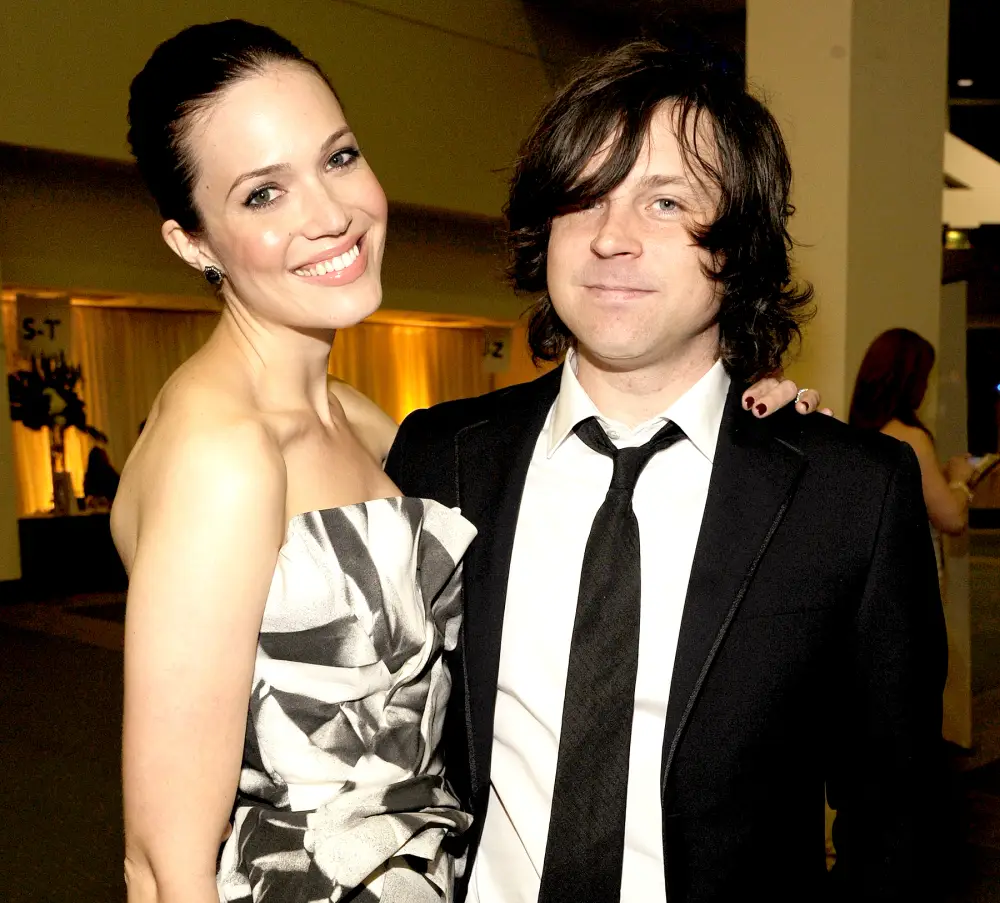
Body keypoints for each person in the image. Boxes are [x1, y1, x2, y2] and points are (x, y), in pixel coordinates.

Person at [113, 21, 820, 903]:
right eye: (263, 194)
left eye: (337, 158)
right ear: (192, 241)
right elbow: (160, 861)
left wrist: (759, 433)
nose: (329, 215)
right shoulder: (225, 453)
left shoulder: (380, 430)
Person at [385, 42, 946, 903]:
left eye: (667, 201)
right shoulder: (437, 457)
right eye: (584, 200)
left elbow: (895, 819)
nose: (612, 238)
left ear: (740, 245)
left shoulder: (851, 494)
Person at [849, 328, 977, 544]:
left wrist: (939, 475)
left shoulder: (856, 434)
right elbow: (952, 519)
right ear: (909, 380)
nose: (926, 387)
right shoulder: (910, 439)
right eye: (925, 377)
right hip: (909, 571)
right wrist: (959, 480)